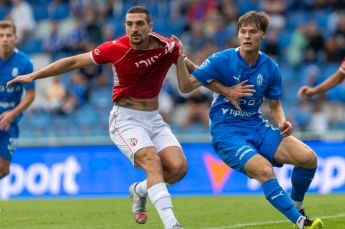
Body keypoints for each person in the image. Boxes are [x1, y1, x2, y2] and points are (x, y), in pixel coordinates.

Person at [6, 6, 253, 229]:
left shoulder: (167, 47)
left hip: (154, 119)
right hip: (125, 119)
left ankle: (139, 189)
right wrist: (34, 76)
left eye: (139, 24)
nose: (133, 29)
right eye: (129, 24)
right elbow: (73, 61)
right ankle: (172, 224)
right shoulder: (116, 48)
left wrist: (227, 91)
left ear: (150, 26)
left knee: (178, 168)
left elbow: (195, 72)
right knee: (152, 162)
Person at [174, 11, 323, 229]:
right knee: (264, 170)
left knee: (308, 158)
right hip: (227, 133)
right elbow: (186, 86)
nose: (247, 36)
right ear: (237, 34)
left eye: (253, 32)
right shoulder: (222, 60)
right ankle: (303, 223)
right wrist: (179, 59)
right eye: (243, 32)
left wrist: (281, 121)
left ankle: (296, 205)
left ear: (263, 34)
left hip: (256, 126)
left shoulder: (270, 67)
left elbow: (275, 104)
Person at [0, 20, 35, 179]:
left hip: (10, 121)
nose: (5, 39)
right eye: (1, 36)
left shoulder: (24, 63)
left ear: (15, 38)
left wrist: (12, 114)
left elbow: (30, 94)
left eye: (8, 35)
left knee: (3, 170)